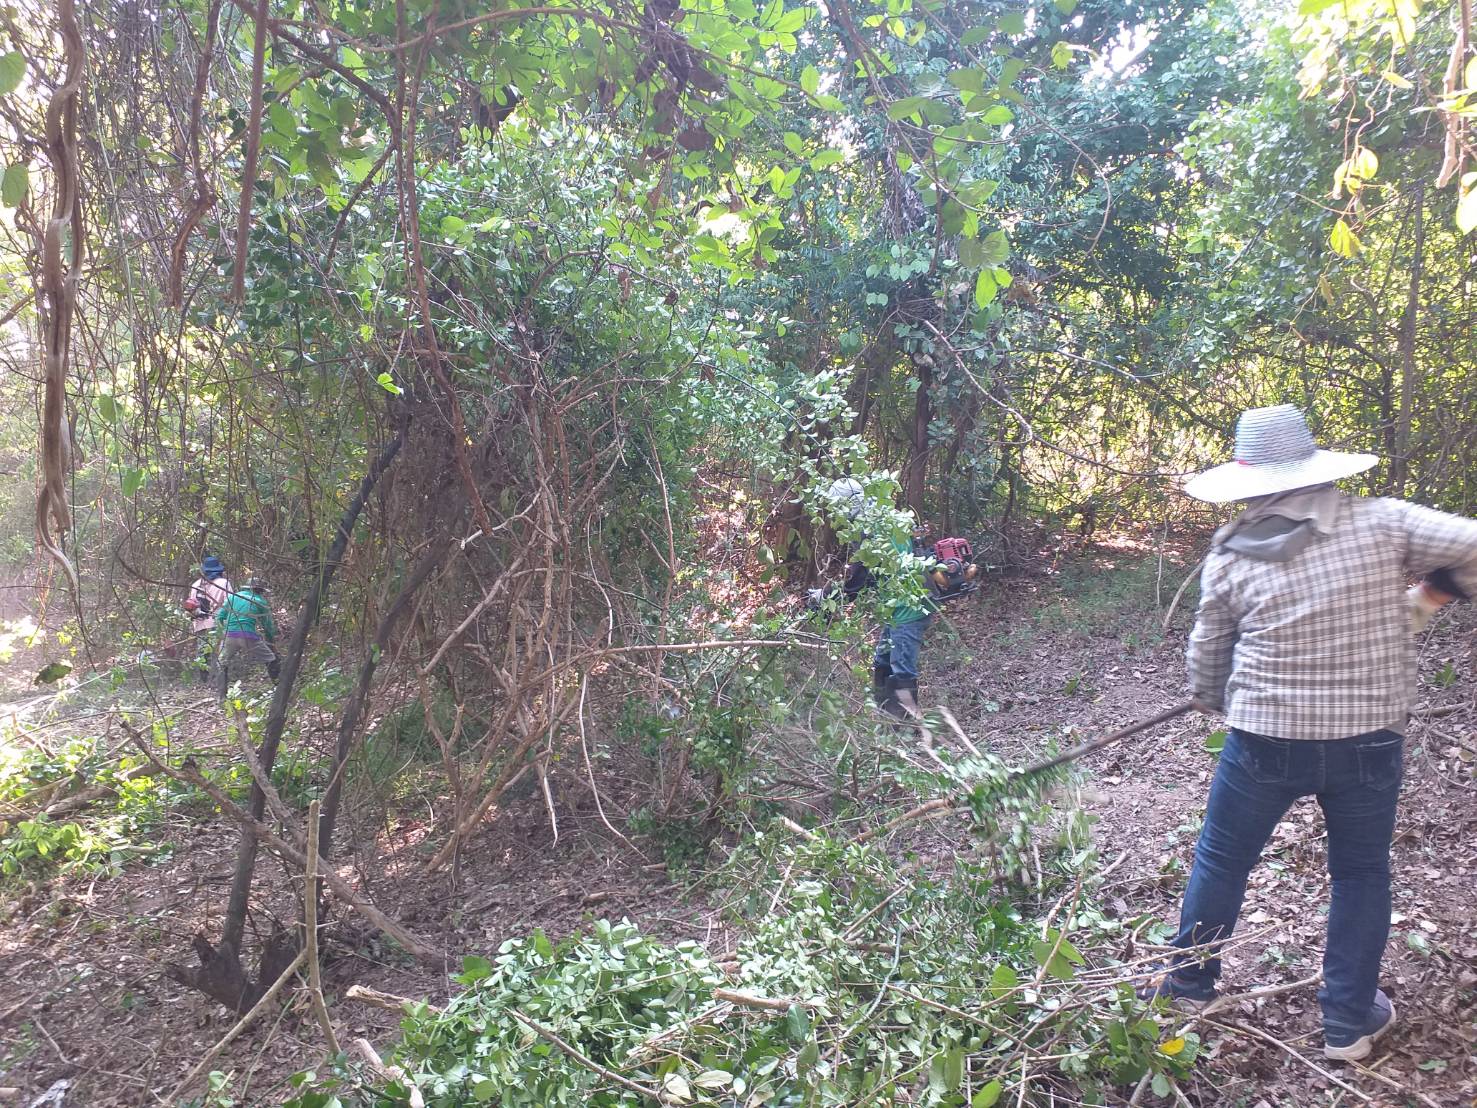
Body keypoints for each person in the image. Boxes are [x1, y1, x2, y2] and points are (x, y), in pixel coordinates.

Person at [1146, 404, 1477, 1063]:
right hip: (1369, 739)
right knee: (1359, 873)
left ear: (1249, 482)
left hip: (1263, 740)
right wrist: (1430, 597)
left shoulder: (1230, 554)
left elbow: (1207, 652)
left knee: (1221, 859)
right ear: (1315, 467)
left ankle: (1188, 988)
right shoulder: (1383, 522)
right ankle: (1347, 1022)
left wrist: (1211, 696)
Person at [214, 576, 281, 700]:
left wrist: (222, 633)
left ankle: (222, 698)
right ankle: (279, 690)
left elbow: (219, 617)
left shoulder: (232, 597)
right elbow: (268, 626)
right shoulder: (260, 601)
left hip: (229, 635)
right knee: (271, 659)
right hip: (248, 635)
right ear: (259, 590)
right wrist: (272, 644)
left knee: (222, 663)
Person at [184, 555, 232, 685]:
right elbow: (230, 603)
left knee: (203, 652)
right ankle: (220, 681)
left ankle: (204, 681)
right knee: (220, 651)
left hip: (200, 623)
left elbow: (191, 605)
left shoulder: (196, 585)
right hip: (218, 622)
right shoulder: (224, 583)